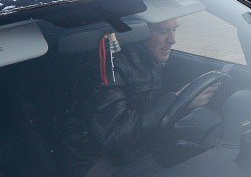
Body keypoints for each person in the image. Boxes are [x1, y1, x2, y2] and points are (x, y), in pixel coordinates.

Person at [86, 18, 220, 161]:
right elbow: (115, 136)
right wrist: (176, 99)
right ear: (139, 32)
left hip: (143, 147)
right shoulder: (111, 67)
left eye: (174, 30)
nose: (172, 40)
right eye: (163, 31)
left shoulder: (153, 58)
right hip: (99, 161)